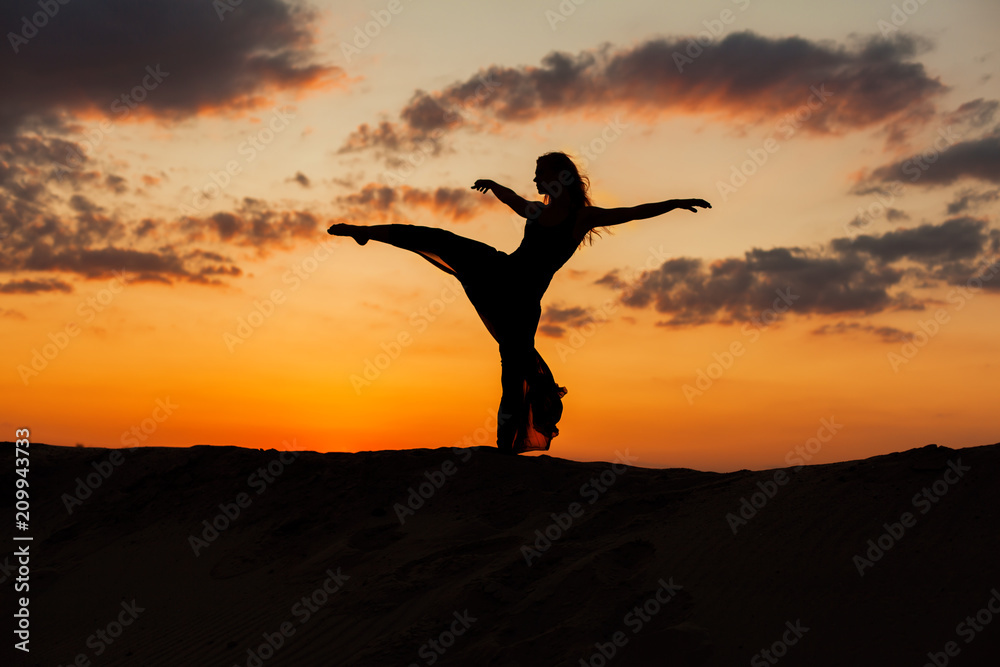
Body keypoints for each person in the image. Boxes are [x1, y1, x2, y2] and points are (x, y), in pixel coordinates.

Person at [328, 151, 710, 454]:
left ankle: (504, 449)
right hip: (501, 273)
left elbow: (632, 212)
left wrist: (675, 202)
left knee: (512, 374)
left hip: (524, 302)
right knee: (441, 239)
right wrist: (495, 185)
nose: (534, 179)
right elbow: (513, 199)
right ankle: (366, 232)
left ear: (558, 177)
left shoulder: (581, 218)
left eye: (539, 172)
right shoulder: (538, 211)